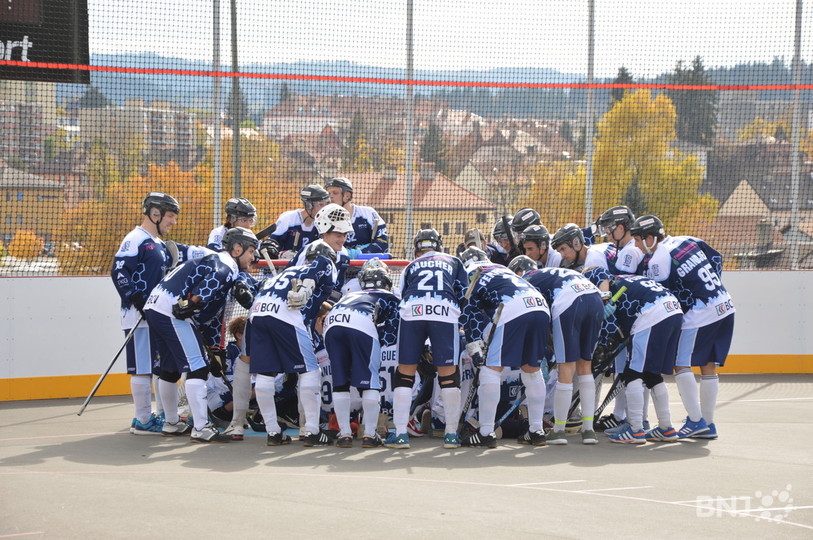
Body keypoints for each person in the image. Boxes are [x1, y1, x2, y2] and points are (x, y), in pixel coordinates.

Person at [143, 227, 259, 443]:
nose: (253, 258)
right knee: (199, 367)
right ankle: (201, 427)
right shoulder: (227, 264)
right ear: (237, 248)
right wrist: (194, 302)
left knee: (169, 369)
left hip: (155, 306)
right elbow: (215, 280)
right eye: (251, 251)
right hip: (171, 309)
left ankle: (171, 423)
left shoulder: (213, 257)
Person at [111, 192, 207, 435]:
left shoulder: (161, 244)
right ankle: (142, 420)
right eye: (170, 216)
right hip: (138, 315)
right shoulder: (135, 239)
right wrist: (137, 299)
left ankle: (165, 416)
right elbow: (119, 272)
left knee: (159, 367)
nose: (173, 222)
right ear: (155, 214)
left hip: (155, 313)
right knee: (142, 367)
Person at [631, 215, 735, 440]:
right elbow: (716, 258)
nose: (637, 246)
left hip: (701, 312)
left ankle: (696, 421)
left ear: (650, 238)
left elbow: (663, 296)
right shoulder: (686, 240)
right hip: (724, 303)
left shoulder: (659, 257)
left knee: (680, 363)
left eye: (638, 240)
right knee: (708, 364)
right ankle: (708, 423)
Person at [248, 239, 339, 447]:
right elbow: (322, 265)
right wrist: (310, 281)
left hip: (258, 312)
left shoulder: (285, 272)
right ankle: (313, 432)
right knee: (309, 371)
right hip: (286, 314)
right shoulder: (323, 264)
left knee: (265, 375)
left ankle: (273, 432)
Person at [386, 229, 468, 450]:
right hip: (444, 310)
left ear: (417, 248)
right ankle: (451, 434)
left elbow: (401, 295)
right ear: (439, 245)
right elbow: (463, 292)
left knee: (405, 372)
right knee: (448, 373)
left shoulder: (411, 266)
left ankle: (401, 433)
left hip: (413, 310)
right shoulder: (454, 261)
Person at [460, 248, 551, 448]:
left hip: (511, 308)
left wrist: (474, 346)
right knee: (531, 370)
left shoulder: (469, 273)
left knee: (490, 370)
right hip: (539, 305)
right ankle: (536, 430)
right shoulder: (501, 268)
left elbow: (469, 312)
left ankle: (485, 433)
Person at [509, 255, 604, 445]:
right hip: (594, 297)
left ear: (519, 272)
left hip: (569, 302)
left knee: (566, 368)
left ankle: (559, 430)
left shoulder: (525, 279)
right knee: (585, 366)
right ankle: (589, 430)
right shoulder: (553, 272)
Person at [583, 267, 683, 444]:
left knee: (632, 373)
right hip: (673, 310)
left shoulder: (605, 285)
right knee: (651, 374)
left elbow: (610, 327)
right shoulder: (624, 280)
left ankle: (636, 429)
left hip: (652, 313)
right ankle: (666, 428)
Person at [323, 261, 401, 448]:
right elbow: (390, 336)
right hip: (361, 324)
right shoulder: (390, 297)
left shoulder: (350, 294)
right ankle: (369, 434)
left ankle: (345, 434)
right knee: (370, 382)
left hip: (332, 324)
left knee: (340, 383)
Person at [288, 202, 353, 296]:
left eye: (345, 235)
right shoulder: (309, 251)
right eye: (339, 235)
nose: (342, 240)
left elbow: (336, 290)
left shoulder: (343, 254)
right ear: (325, 234)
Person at [324, 177, 389, 257]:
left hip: (367, 265)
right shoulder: (324, 218)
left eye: (335, 193)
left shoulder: (368, 213)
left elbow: (383, 242)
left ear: (347, 195)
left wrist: (360, 253)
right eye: (329, 193)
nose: (331, 197)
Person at [262, 184, 330, 259]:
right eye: (321, 205)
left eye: (326, 204)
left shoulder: (322, 224)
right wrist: (282, 254)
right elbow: (270, 247)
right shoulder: (288, 220)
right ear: (309, 205)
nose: (325, 209)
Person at [551, 222, 618, 273]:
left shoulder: (592, 260)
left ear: (576, 243)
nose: (562, 256)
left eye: (563, 249)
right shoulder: (596, 249)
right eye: (559, 251)